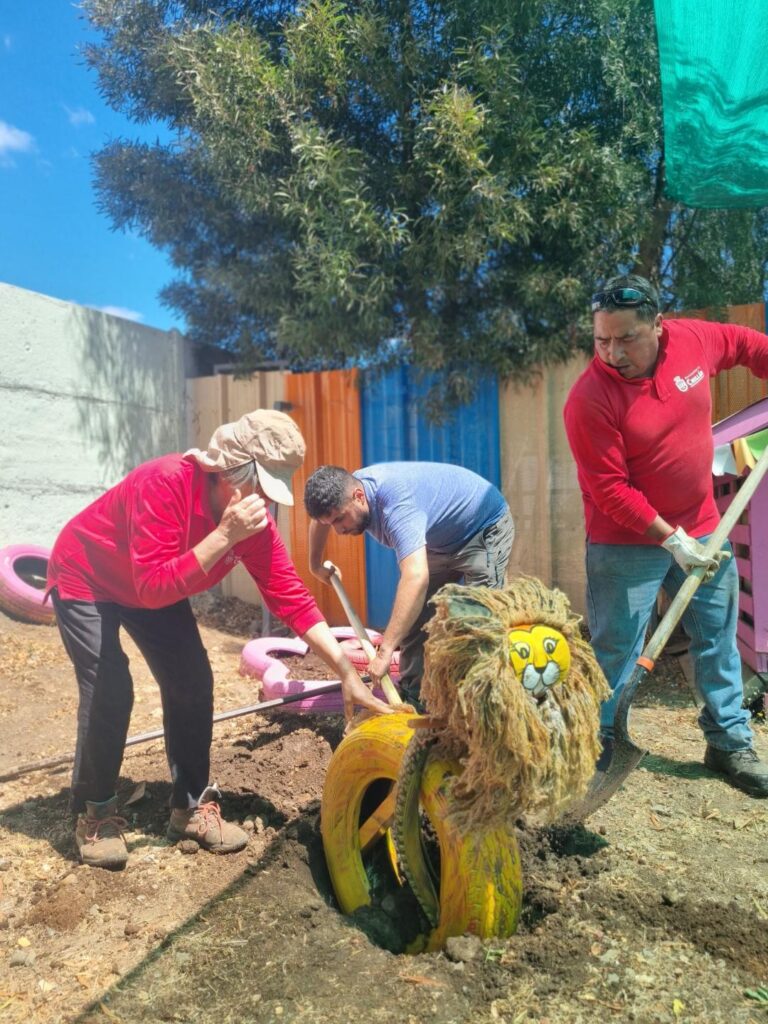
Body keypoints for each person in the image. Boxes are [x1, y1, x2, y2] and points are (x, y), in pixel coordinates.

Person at [47, 409, 392, 870]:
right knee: (111, 688)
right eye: (258, 487)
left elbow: (289, 596)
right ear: (228, 473)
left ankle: (190, 808)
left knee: (192, 681)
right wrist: (225, 535)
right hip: (88, 574)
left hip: (155, 580)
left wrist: (346, 671)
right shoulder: (164, 484)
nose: (263, 505)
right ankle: (94, 812)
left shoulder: (254, 522)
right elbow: (151, 586)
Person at [563, 273, 768, 797]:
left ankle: (727, 741)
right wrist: (671, 540)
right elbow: (610, 491)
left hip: (705, 526)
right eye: (601, 339)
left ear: (658, 324)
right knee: (614, 647)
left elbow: (748, 345)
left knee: (716, 637)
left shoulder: (694, 341)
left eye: (626, 338)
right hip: (623, 543)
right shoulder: (589, 399)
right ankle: (600, 742)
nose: (612, 353)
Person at [303, 462, 515, 705]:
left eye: (340, 519)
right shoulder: (344, 492)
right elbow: (320, 520)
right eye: (332, 523)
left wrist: (384, 654)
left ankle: (485, 706)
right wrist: (314, 565)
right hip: (440, 542)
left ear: (359, 496)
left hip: (484, 529)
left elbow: (416, 576)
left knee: (479, 624)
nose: (339, 530)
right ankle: (416, 700)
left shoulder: (396, 505)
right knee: (414, 619)